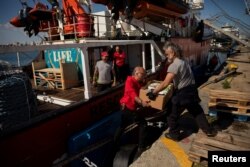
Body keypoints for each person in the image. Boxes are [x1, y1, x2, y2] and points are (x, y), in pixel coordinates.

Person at [147, 42, 217, 141]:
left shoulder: (174, 65)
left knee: (171, 114)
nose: (166, 56)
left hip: (183, 93)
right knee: (197, 111)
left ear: (173, 53)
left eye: (167, 54)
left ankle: (174, 135)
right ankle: (208, 130)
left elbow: (165, 83)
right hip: (192, 90)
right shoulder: (183, 61)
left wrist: (153, 93)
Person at [119, 66, 150, 153]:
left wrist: (145, 80)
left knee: (123, 125)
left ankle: (116, 142)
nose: (144, 76)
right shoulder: (129, 81)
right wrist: (142, 102)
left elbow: (142, 85)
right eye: (143, 74)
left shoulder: (137, 81)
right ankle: (141, 147)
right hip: (128, 107)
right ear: (136, 74)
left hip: (127, 107)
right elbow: (133, 94)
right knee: (143, 124)